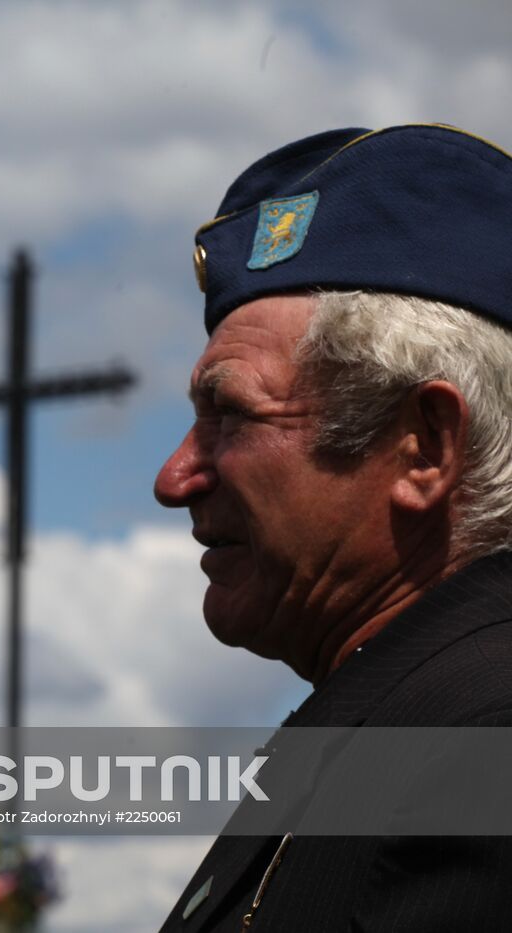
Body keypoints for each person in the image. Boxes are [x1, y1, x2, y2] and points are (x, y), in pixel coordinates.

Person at [153, 123, 512, 931]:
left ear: (424, 446)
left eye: (231, 415)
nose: (174, 478)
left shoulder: (479, 741)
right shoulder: (408, 721)